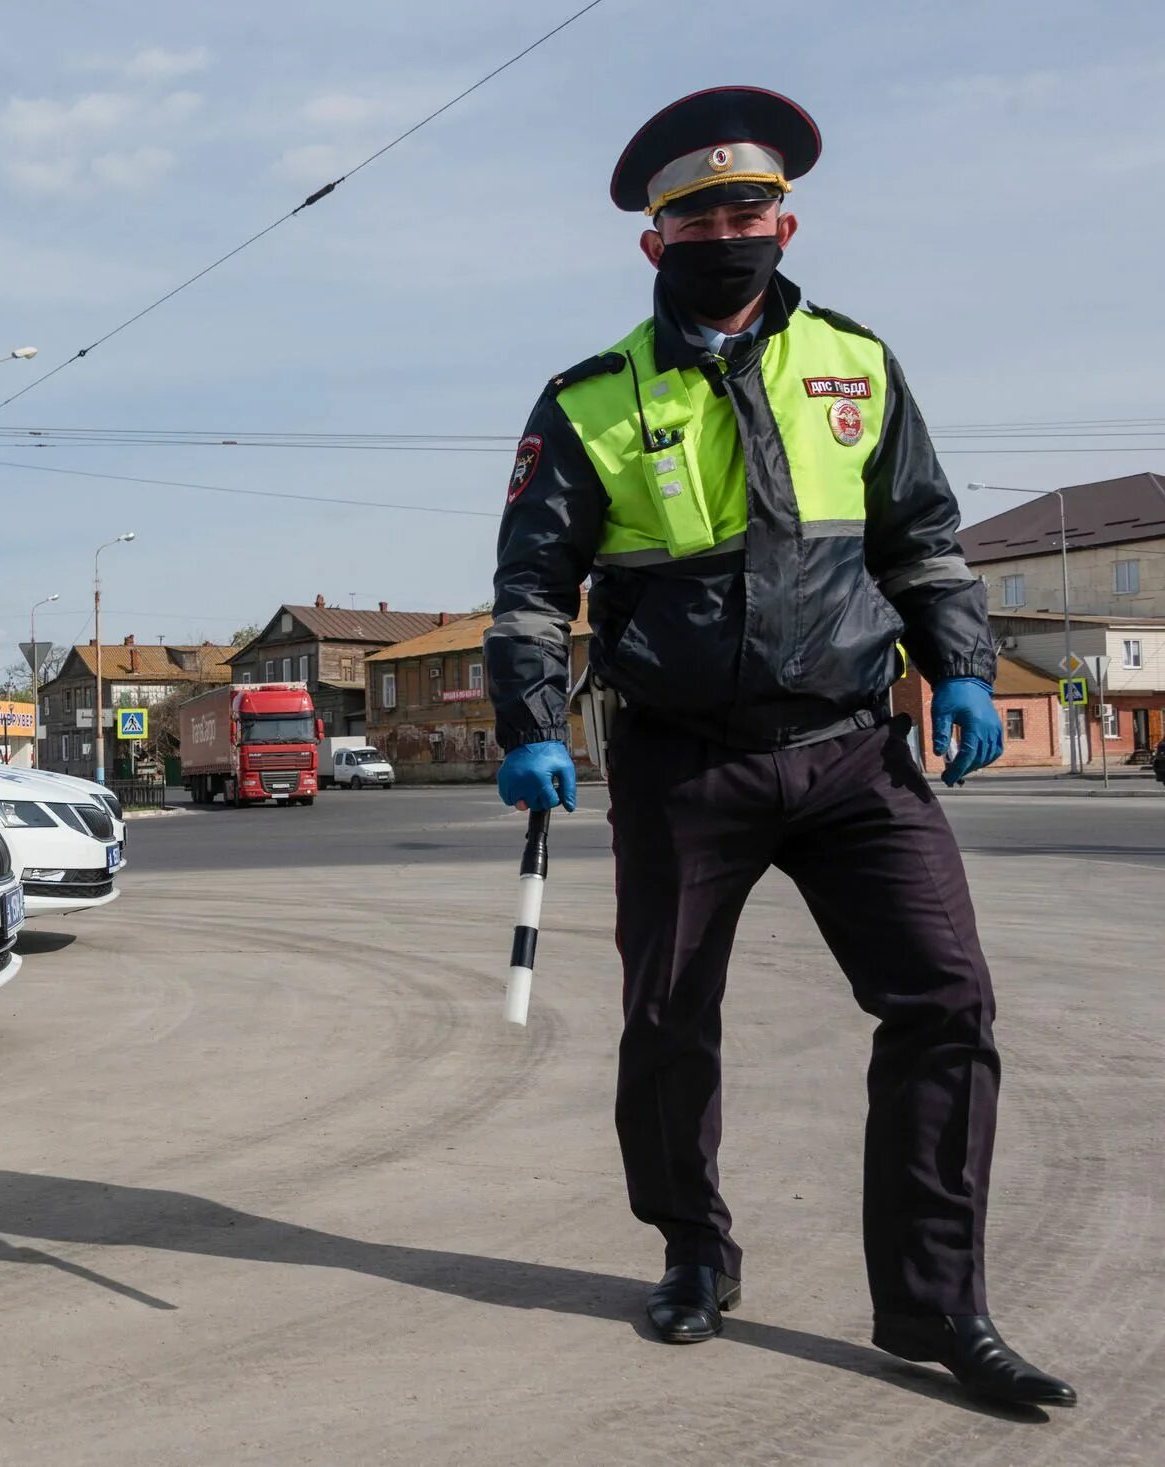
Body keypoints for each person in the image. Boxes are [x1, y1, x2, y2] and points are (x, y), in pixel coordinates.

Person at [486, 87, 1074, 1408]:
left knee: (945, 1002)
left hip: (856, 747)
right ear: (656, 240)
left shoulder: (857, 365)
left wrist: (966, 669)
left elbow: (923, 540)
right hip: (684, 760)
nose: (726, 229)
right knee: (666, 1018)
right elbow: (533, 581)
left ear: (786, 221)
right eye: (699, 214)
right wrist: (530, 723)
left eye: (748, 210)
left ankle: (937, 1303)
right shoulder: (590, 398)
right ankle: (694, 1250)